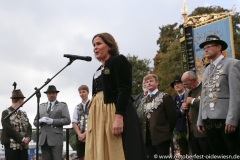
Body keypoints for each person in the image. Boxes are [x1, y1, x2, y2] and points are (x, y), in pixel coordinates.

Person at [85, 32, 145, 160]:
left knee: (121, 149)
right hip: (99, 115)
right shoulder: (98, 70)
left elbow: (124, 89)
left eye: (99, 43)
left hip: (114, 111)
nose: (95, 47)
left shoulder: (118, 60)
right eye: (94, 45)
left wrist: (119, 117)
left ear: (110, 46)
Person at [197, 35, 240, 155]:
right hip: (208, 121)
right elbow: (203, 96)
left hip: (225, 120)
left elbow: (236, 94)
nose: (205, 49)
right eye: (204, 47)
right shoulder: (206, 70)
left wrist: (232, 119)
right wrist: (200, 119)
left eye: (209, 46)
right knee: (217, 154)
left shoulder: (232, 64)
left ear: (219, 47)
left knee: (233, 152)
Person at [138, 73, 177, 160]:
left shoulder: (165, 97)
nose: (148, 83)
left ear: (157, 83)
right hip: (147, 137)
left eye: (151, 81)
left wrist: (166, 130)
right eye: (146, 82)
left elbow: (173, 117)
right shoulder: (144, 100)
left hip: (161, 136)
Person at [34, 85, 71, 160]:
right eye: (50, 93)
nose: (51, 95)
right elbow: (35, 122)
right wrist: (40, 121)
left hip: (56, 139)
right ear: (47, 95)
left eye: (53, 93)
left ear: (56, 94)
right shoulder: (41, 106)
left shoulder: (62, 106)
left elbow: (67, 120)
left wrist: (53, 121)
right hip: (44, 140)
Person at [181, 71, 210, 157]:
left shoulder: (205, 88)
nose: (185, 87)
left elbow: (208, 105)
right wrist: (183, 108)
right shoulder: (187, 92)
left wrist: (193, 101)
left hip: (203, 132)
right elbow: (185, 111)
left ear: (193, 80)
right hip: (191, 133)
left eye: (186, 84)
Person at [1, 86, 32, 160]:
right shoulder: (5, 113)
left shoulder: (23, 113)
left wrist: (28, 138)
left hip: (23, 147)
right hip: (11, 147)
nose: (24, 101)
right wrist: (22, 139)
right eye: (23, 99)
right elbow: (8, 129)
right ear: (20, 100)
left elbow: (29, 127)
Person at [170, 75, 189, 157]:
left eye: (178, 83)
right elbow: (172, 113)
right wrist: (181, 110)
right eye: (175, 84)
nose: (176, 85)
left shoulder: (189, 94)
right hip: (180, 129)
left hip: (190, 127)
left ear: (183, 84)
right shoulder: (173, 99)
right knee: (183, 151)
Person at [72, 85, 90, 160]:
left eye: (83, 92)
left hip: (91, 133)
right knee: (81, 156)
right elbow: (74, 122)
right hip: (79, 135)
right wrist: (80, 134)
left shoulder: (93, 104)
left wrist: (85, 134)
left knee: (91, 155)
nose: (81, 94)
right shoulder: (77, 107)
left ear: (88, 92)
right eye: (80, 92)